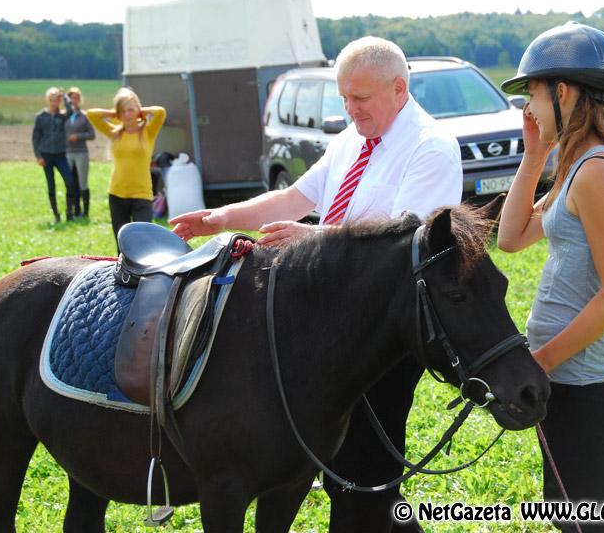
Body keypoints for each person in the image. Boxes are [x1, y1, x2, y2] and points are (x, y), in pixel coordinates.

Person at [170, 36, 462, 532]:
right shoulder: (352, 139)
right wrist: (222, 217)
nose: (350, 109)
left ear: (399, 88)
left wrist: (314, 237)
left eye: (360, 98)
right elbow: (294, 197)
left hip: (380, 334)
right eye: (343, 97)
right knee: (333, 461)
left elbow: (404, 243)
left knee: (363, 471)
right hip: (329, 325)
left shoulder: (431, 148)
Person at [497, 22, 604, 533]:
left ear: (562, 92)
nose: (529, 109)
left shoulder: (597, 173)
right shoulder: (574, 166)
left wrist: (542, 359)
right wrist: (534, 156)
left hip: (583, 378)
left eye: (533, 95)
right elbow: (512, 237)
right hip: (563, 376)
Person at [86, 88, 166, 248]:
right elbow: (91, 114)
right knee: (122, 244)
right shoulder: (114, 132)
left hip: (142, 195)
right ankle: (121, 273)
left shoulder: (148, 132)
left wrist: (140, 111)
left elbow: (160, 112)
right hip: (117, 194)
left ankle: (143, 273)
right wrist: (113, 114)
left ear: (138, 110)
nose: (127, 114)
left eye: (131, 110)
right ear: (118, 113)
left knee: (143, 243)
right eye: (123, 111)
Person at [32, 87, 79, 222]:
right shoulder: (40, 117)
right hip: (46, 154)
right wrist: (38, 156)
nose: (54, 103)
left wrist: (65, 97)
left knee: (69, 182)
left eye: (56, 100)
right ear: (48, 100)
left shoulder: (62, 116)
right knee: (51, 185)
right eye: (51, 100)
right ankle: (56, 214)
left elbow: (71, 111)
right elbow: (35, 137)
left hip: (60, 154)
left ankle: (69, 212)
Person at [64, 86, 96, 218]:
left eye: (76, 98)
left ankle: (85, 211)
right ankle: (71, 210)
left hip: (81, 152)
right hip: (67, 152)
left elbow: (92, 134)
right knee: (70, 182)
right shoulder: (64, 116)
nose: (74, 100)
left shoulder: (84, 116)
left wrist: (78, 136)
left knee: (83, 182)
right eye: (72, 98)